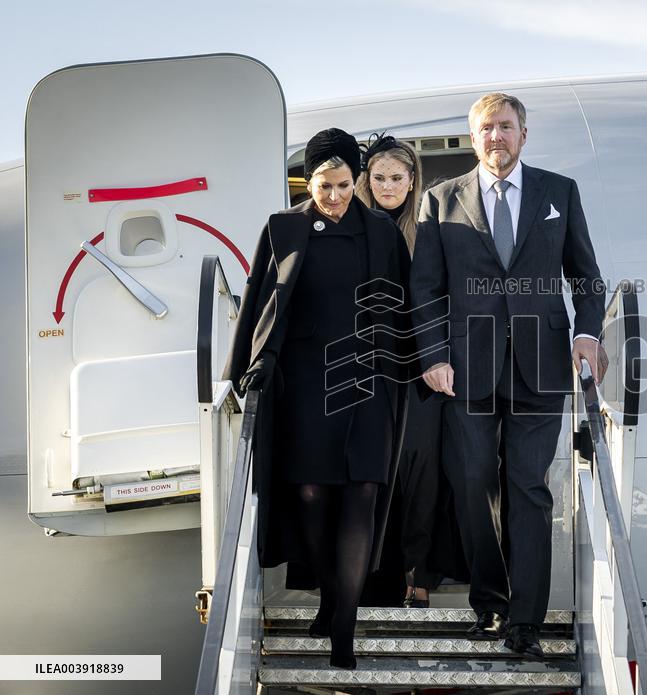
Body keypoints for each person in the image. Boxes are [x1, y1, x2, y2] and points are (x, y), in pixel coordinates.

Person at [410, 93, 608, 658]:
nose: (496, 137)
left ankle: (525, 621)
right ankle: (490, 602)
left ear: (524, 134)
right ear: (473, 140)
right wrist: (433, 354)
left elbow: (586, 277)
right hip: (463, 369)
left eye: (505, 127)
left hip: (540, 364)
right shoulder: (440, 200)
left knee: (528, 489)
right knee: (473, 485)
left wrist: (586, 333)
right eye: (485, 129)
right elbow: (425, 289)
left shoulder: (558, 192)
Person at [222, 127, 413, 670]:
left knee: (362, 497)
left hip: (369, 381)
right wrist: (241, 371)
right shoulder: (284, 227)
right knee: (309, 496)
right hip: (304, 383)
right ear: (308, 181)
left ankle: (343, 634)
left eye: (344, 184)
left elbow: (404, 307)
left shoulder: (380, 231)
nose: (334, 196)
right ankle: (332, 598)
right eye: (324, 186)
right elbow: (259, 301)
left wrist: (419, 365)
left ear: (357, 178)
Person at [356, 134, 440, 608]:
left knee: (422, 477)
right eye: (380, 178)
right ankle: (377, 577)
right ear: (368, 180)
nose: (388, 186)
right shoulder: (357, 228)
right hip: (369, 373)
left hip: (420, 375)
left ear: (412, 181)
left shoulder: (428, 229)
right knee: (377, 477)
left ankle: (420, 573)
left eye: (397, 178)